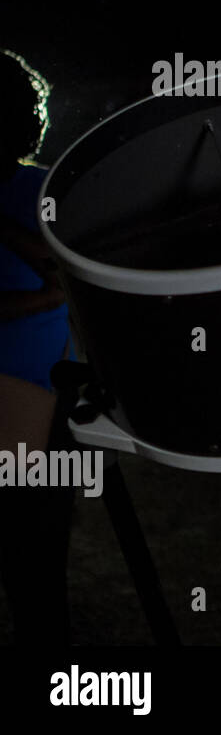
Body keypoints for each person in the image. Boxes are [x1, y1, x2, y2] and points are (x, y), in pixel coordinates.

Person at [0, 50, 75, 645]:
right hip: (37, 408)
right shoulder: (45, 188)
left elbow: (68, 275)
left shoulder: (46, 189)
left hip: (40, 410)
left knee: (37, 579)